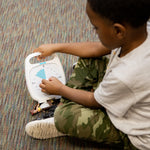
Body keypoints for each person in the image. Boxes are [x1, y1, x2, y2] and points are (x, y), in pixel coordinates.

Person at [25, 0, 150, 149]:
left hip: (136, 135)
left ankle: (60, 118)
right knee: (89, 60)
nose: (95, 32)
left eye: (95, 28)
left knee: (65, 116)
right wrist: (57, 47)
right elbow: (97, 48)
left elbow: (93, 101)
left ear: (118, 31)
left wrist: (60, 89)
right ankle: (88, 95)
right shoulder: (142, 29)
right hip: (129, 93)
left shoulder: (125, 76)